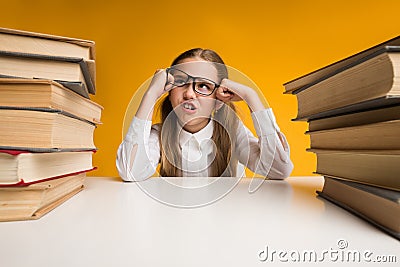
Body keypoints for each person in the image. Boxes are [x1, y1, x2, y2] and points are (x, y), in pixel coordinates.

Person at [116, 48, 293, 181]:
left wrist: (251, 97)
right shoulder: (160, 134)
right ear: (169, 92)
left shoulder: (233, 131)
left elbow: (279, 169)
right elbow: (130, 171)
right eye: (181, 82)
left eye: (203, 86)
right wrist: (151, 94)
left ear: (218, 100)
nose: (189, 94)